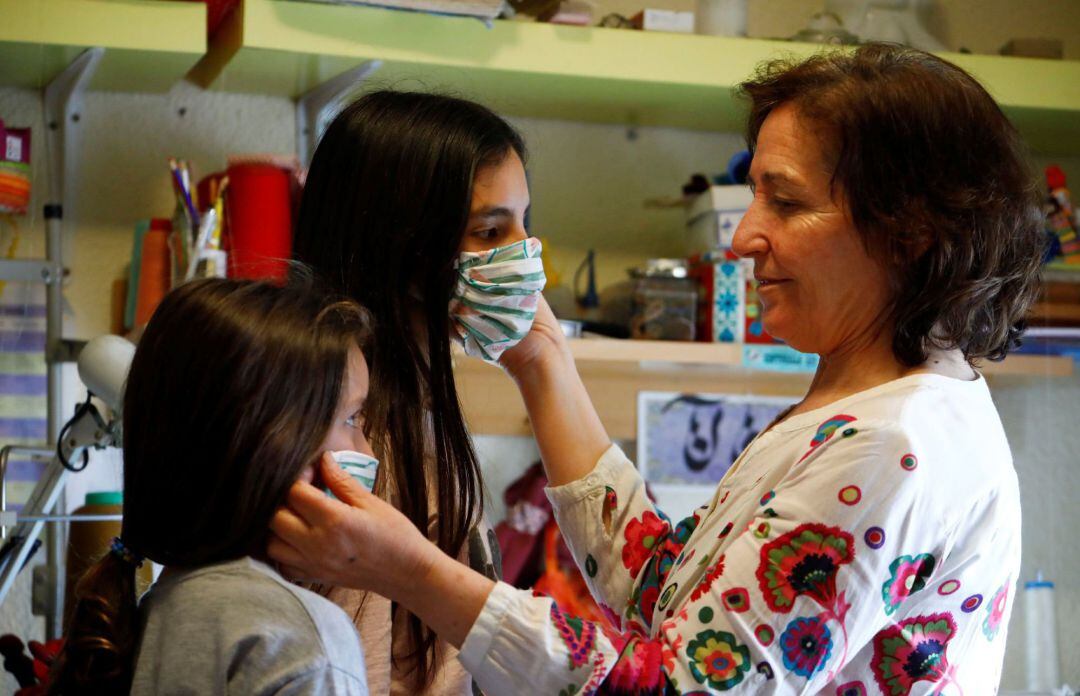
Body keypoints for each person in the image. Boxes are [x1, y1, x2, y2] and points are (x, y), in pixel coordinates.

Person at [270, 44, 1045, 694]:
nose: (742, 237)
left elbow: (680, 683)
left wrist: (417, 574)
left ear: (907, 231)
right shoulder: (862, 412)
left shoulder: (891, 447)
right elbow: (664, 587)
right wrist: (542, 364)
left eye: (785, 202)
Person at [291, 90, 533, 693]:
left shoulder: (414, 416)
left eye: (525, 223)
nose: (524, 255)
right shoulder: (353, 447)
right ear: (399, 240)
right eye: (489, 230)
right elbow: (357, 668)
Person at [50, 278, 373, 695]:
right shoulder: (301, 640)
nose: (366, 447)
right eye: (352, 419)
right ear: (275, 449)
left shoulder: (158, 608)